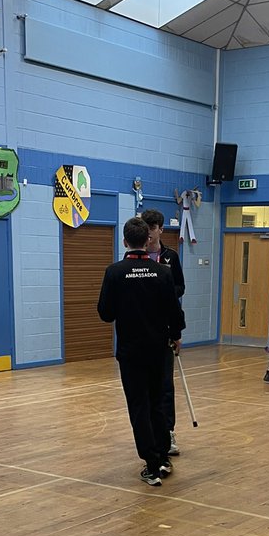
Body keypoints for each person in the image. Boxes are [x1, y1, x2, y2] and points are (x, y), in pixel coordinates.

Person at [98, 217, 185, 486]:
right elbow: (175, 312)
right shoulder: (163, 273)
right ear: (147, 240)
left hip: (131, 352)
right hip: (158, 350)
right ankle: (162, 456)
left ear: (125, 241)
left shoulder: (115, 272)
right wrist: (176, 335)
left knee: (139, 406)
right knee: (158, 402)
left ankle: (151, 462)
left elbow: (105, 313)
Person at [142, 208, 186, 454]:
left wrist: (165, 294)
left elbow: (180, 286)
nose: (149, 233)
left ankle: (168, 433)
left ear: (160, 229)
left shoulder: (171, 257)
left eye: (153, 228)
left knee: (165, 385)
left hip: (165, 327)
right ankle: (149, 434)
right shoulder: (135, 256)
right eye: (146, 228)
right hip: (142, 328)